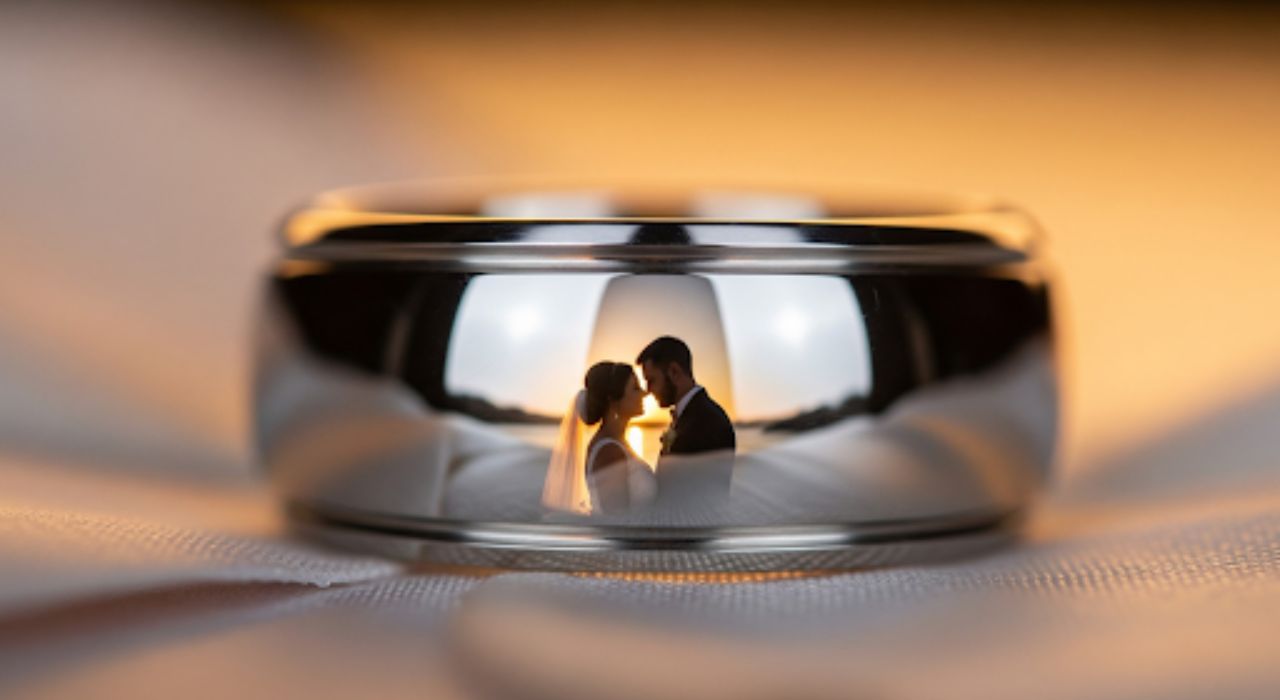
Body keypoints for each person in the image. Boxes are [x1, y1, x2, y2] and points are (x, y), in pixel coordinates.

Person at [542, 362, 656, 514]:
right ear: (613, 400)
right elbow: (618, 520)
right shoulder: (609, 451)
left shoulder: (617, 443)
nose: (644, 393)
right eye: (635, 388)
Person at [636, 336, 736, 466]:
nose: (648, 390)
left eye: (651, 380)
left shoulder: (707, 422)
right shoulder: (690, 416)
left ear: (674, 372)